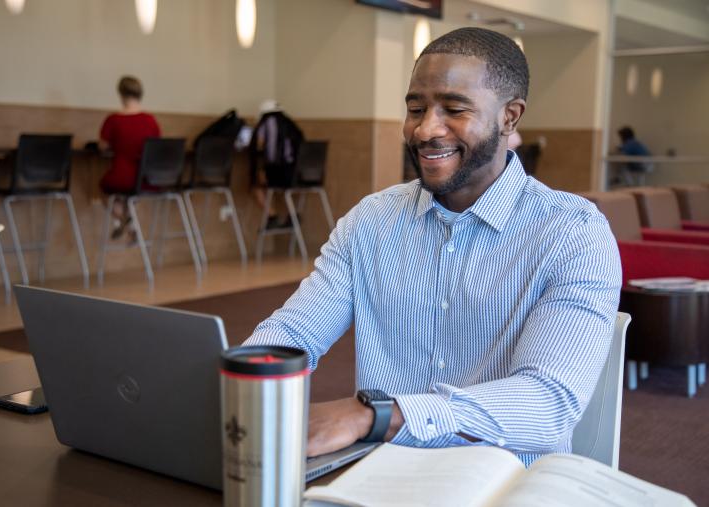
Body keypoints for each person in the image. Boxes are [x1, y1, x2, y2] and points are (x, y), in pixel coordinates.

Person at [244, 27, 621, 466]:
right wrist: (244, 380)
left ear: (510, 117)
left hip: (502, 485)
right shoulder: (371, 221)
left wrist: (377, 417)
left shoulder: (573, 235)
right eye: (415, 108)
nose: (425, 130)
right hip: (380, 477)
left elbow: (546, 403)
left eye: (454, 109)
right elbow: (294, 333)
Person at [98, 75, 160, 238]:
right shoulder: (150, 120)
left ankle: (124, 220)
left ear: (121, 94)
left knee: (105, 190)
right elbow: (156, 146)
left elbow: (102, 146)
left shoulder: (114, 120)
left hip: (121, 175)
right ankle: (130, 221)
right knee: (129, 195)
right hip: (146, 178)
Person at [248, 99, 304, 228]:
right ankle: (293, 215)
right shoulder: (289, 124)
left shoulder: (266, 123)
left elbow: (259, 146)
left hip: (279, 172)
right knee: (285, 188)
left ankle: (272, 216)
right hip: (296, 172)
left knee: (256, 187)